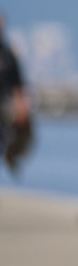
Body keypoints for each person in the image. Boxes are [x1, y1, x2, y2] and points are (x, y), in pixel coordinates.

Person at [0, 11, 32, 175]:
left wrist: (22, 106)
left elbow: (18, 84)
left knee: (23, 129)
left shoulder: (7, 53)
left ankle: (13, 155)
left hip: (4, 105)